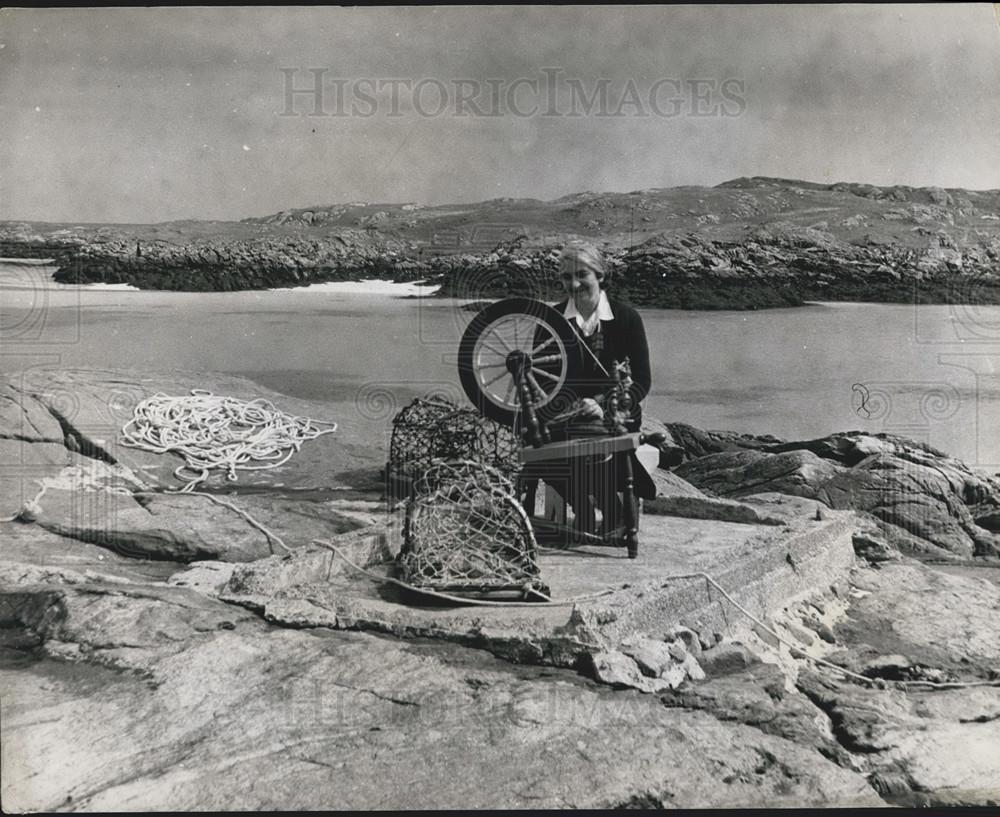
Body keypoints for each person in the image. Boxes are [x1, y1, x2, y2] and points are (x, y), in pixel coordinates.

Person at [545, 241, 656, 535]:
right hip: (566, 413)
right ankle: (585, 506)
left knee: (593, 435)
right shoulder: (552, 320)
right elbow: (543, 382)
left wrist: (604, 403)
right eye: (566, 277)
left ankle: (610, 510)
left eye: (582, 274)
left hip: (616, 412)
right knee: (535, 442)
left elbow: (642, 380)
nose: (574, 283)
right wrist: (571, 405)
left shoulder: (626, 318)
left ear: (600, 275)